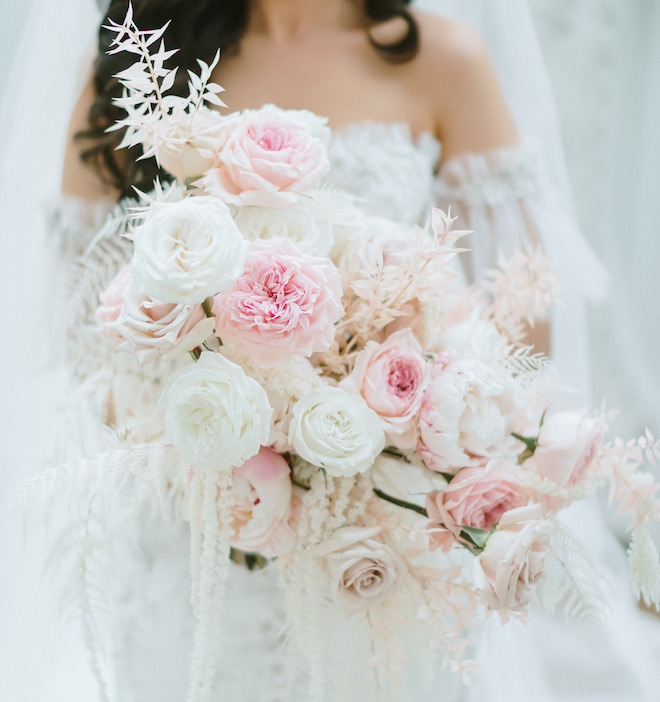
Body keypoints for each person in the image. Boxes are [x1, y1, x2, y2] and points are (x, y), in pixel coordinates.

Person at [1, 1, 656, 701]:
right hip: (195, 545)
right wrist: (239, 411)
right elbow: (84, 333)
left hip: (383, 566)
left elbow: (523, 331)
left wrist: (381, 407)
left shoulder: (446, 61)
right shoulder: (130, 69)